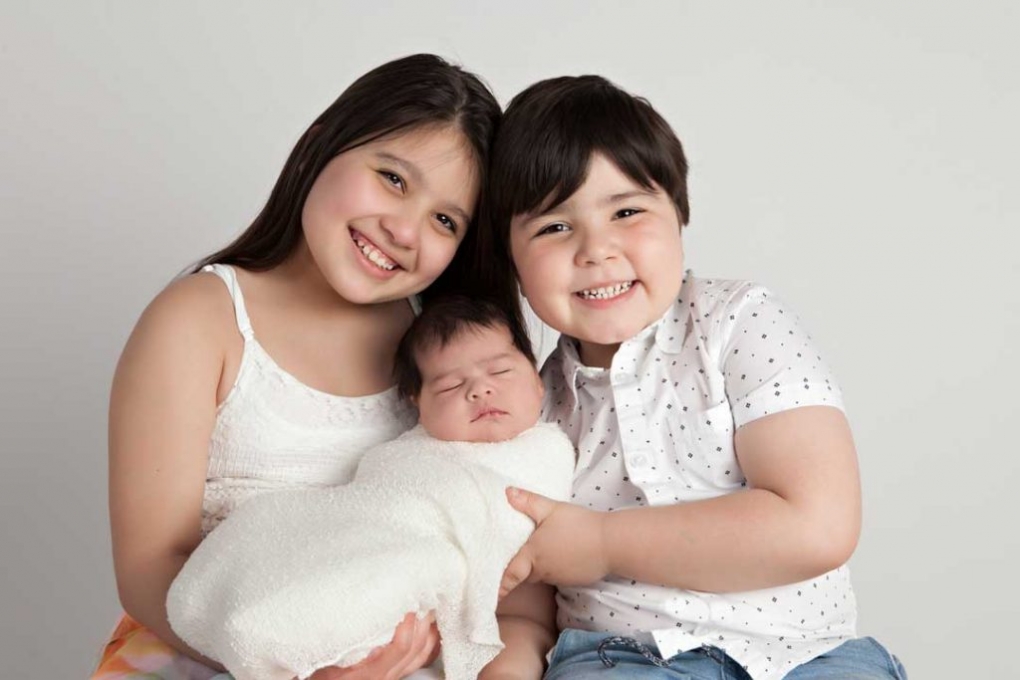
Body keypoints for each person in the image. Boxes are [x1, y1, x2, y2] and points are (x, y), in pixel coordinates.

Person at [93, 54, 506, 680]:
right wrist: (303, 671)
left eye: (444, 221)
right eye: (393, 179)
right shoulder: (200, 320)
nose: (403, 230)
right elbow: (150, 567)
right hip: (214, 650)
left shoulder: (443, 349)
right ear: (320, 145)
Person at [482, 76, 908, 679]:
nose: (596, 250)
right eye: (554, 226)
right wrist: (511, 664)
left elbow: (818, 526)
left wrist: (601, 544)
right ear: (511, 260)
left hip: (803, 654)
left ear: (679, 214)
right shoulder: (529, 407)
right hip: (618, 658)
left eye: (626, 212)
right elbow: (524, 599)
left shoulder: (740, 323)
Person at [167, 296, 572, 680]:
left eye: (500, 372)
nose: (479, 390)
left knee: (519, 641)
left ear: (538, 383)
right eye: (450, 386)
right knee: (295, 548)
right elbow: (373, 509)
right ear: (418, 405)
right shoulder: (411, 452)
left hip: (508, 605)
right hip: (403, 559)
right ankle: (289, 622)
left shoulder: (550, 447)